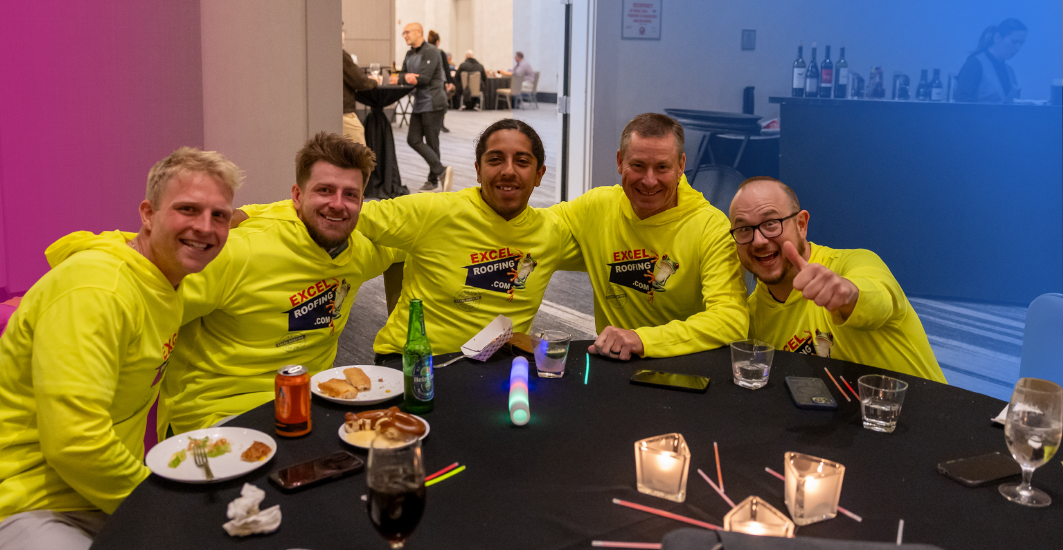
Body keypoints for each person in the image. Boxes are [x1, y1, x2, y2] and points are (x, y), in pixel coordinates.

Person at [0, 148, 241, 550]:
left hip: (98, 503)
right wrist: (161, 507)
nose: (205, 227)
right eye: (187, 209)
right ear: (148, 214)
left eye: (219, 215)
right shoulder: (98, 289)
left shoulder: (162, 280)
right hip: (14, 511)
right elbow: (76, 443)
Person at [239, 119, 581, 359]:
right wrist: (249, 214)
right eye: (495, 160)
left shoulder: (552, 233)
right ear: (478, 170)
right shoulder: (435, 212)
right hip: (413, 362)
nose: (508, 170)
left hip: (498, 364)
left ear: (539, 174)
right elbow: (344, 209)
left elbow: (604, 245)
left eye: (522, 162)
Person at [159, 133, 400, 435]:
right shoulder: (237, 253)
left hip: (311, 404)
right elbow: (145, 306)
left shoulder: (360, 251)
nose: (337, 204)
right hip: (219, 414)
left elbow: (413, 241)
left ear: (362, 202)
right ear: (297, 196)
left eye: (350, 194)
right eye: (324, 190)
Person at [550, 113, 749, 361]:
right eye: (638, 165)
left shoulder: (711, 227)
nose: (649, 180)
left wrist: (642, 340)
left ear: (681, 166)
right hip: (615, 363)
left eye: (662, 167)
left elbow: (731, 320)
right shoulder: (596, 208)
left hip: (686, 367)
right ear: (620, 161)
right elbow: (531, 230)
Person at [728, 176, 946, 382]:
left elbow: (879, 300)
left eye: (771, 223)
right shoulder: (753, 316)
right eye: (744, 229)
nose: (758, 241)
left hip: (924, 406)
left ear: (801, 225)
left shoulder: (854, 263)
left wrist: (847, 293)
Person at [391, 22, 451, 192]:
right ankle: (441, 171)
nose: (405, 36)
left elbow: (423, 78)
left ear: (419, 32)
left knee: (432, 143)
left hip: (433, 103)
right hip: (419, 103)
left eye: (407, 32)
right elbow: (403, 76)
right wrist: (406, 77)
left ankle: (432, 181)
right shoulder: (409, 53)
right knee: (413, 139)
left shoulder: (432, 51)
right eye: (403, 33)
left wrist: (405, 77)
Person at [954, 18, 1027, 104]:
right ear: (997, 37)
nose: (1018, 48)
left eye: (1021, 43)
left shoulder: (1010, 70)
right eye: (1014, 41)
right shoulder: (974, 64)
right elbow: (961, 102)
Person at [342, 28, 380, 145]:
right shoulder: (339, 54)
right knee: (359, 150)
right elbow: (359, 81)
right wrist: (374, 82)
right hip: (344, 112)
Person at [426, 30, 453, 132]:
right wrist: (449, 82)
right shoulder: (440, 52)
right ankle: (441, 124)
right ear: (437, 42)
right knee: (442, 104)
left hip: (427, 82)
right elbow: (446, 68)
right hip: (440, 82)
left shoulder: (425, 52)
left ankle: (431, 123)